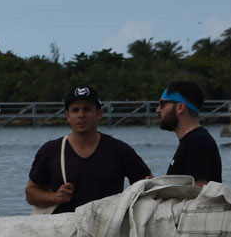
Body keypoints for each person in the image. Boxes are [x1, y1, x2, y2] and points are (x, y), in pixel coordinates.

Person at [26, 86, 152, 214]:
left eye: (87, 109)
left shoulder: (120, 150)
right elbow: (31, 193)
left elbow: (148, 187)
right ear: (68, 116)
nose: (81, 115)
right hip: (62, 230)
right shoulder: (50, 151)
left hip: (108, 229)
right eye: (75, 110)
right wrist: (54, 197)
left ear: (99, 114)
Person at [157, 81, 222, 187]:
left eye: (162, 104)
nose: (158, 109)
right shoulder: (192, 141)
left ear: (180, 107)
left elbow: (198, 193)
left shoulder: (197, 142)